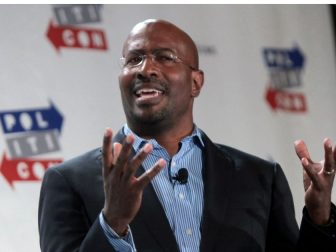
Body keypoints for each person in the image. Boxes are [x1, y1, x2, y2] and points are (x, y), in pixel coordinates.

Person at [38, 19, 336, 252]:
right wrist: (112, 222)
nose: (146, 69)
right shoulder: (68, 182)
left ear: (196, 82)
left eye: (164, 57)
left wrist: (320, 217)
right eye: (134, 59)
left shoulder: (259, 177)